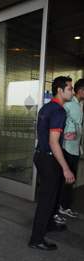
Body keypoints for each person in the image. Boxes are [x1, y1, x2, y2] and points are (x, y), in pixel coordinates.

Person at [29, 76, 75, 251]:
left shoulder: (47, 108)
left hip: (41, 155)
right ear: (60, 91)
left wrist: (64, 136)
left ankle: (48, 224)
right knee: (47, 200)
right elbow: (54, 142)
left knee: (52, 195)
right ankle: (36, 239)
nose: (71, 91)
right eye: (69, 88)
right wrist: (66, 169)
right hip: (49, 158)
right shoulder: (59, 111)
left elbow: (47, 134)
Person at [55, 78, 84, 221]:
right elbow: (62, 119)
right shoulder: (69, 104)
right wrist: (68, 130)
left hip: (75, 148)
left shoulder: (78, 104)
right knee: (67, 179)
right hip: (67, 147)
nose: (71, 91)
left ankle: (64, 206)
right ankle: (62, 207)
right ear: (81, 90)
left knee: (71, 180)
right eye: (70, 89)